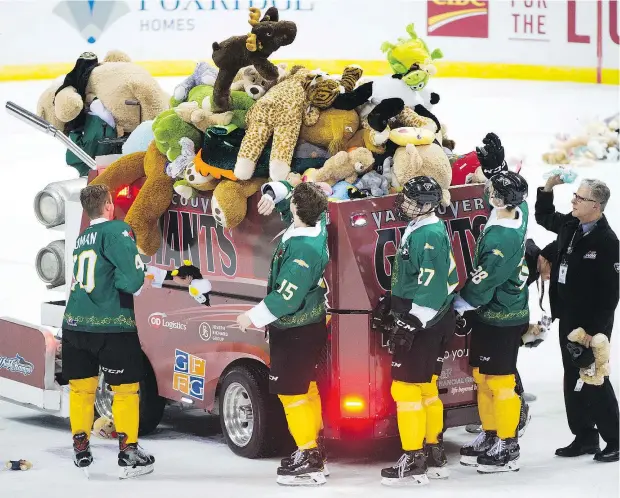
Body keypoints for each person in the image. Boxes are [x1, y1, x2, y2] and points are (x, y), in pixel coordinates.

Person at [236, 181, 330, 486]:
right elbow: (300, 191)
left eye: (290, 203)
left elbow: (286, 297)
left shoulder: (303, 249)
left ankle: (309, 456)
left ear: (297, 210)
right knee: (308, 387)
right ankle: (314, 446)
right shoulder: (318, 222)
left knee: (292, 394)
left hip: (295, 329)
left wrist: (251, 317)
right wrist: (272, 192)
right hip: (311, 323)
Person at [61, 184, 155, 479]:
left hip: (74, 323)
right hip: (112, 326)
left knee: (81, 389)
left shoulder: (82, 238)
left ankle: (80, 448)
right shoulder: (118, 230)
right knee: (126, 390)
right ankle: (128, 452)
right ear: (109, 205)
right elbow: (134, 279)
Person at [373, 176, 458, 486]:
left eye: (410, 200)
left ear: (427, 205)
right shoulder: (423, 227)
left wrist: (411, 320)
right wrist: (393, 299)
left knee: (406, 390)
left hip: (425, 321)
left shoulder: (429, 235)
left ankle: (413, 458)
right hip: (432, 319)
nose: (403, 203)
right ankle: (434, 453)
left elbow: (433, 286)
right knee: (425, 389)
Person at [535, 176, 619, 463]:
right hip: (568, 318)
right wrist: (547, 188)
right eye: (574, 196)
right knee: (572, 377)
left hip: (591, 327)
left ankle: (616, 439)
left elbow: (610, 296)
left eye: (579, 199)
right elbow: (544, 216)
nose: (573, 201)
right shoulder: (571, 225)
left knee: (593, 378)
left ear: (595, 206)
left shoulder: (607, 242)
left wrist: (591, 335)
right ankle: (584, 436)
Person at [454, 171, 529, 473]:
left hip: (503, 315)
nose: (486, 191)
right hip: (492, 313)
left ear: (498, 198)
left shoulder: (502, 238)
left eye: (490, 189)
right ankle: (492, 433)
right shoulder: (516, 213)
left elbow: (485, 281)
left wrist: (462, 302)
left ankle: (508, 444)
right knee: (482, 377)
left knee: (500, 381)